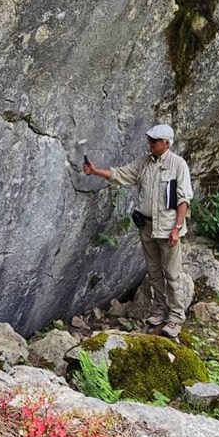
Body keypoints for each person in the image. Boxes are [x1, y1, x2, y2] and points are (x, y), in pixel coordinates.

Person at [83, 124, 193, 338]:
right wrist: (96, 171)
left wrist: (177, 228)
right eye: (149, 140)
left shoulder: (178, 165)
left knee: (172, 273)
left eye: (154, 141)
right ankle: (161, 310)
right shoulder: (144, 163)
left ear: (166, 143)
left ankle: (176, 317)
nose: (150, 144)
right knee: (153, 272)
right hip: (147, 226)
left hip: (169, 228)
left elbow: (184, 199)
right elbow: (120, 174)